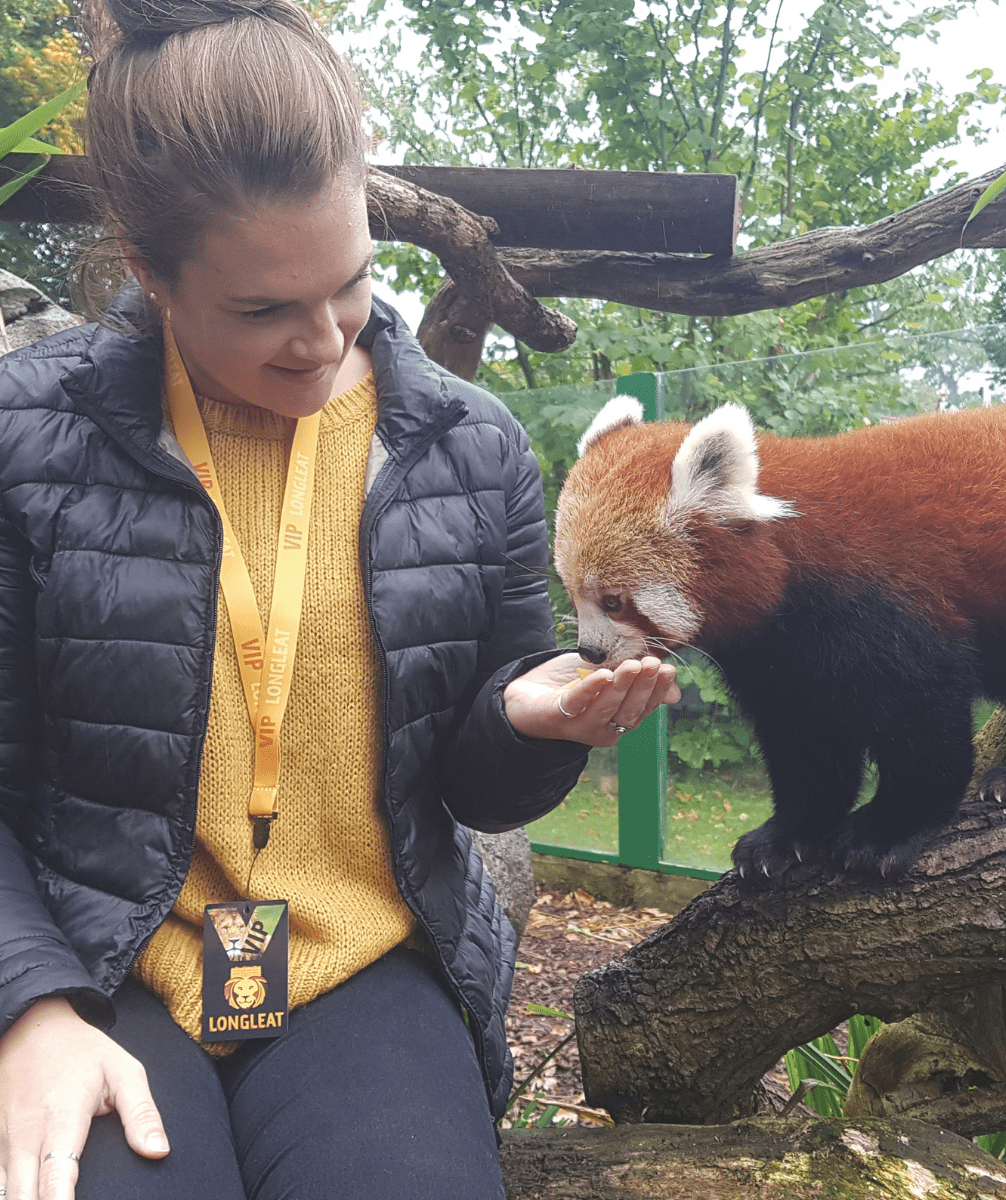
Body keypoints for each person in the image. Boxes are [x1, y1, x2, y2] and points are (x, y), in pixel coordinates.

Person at [0, 2, 680, 1197]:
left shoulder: (472, 448)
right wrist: (28, 1011)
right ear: (153, 274)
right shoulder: (30, 438)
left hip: (358, 963)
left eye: (352, 281)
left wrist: (527, 725)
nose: (322, 342)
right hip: (99, 957)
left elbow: (474, 786)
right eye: (262, 310)